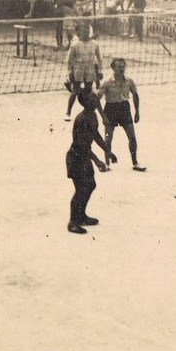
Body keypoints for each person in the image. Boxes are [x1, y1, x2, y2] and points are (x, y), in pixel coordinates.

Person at [66, 89, 111, 234]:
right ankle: (73, 222)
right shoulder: (81, 119)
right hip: (76, 157)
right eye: (92, 97)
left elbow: (96, 135)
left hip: (84, 157)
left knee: (90, 185)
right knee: (81, 190)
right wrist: (98, 161)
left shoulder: (92, 115)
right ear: (85, 102)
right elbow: (83, 145)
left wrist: (108, 150)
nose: (96, 98)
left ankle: (82, 216)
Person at [99, 57, 146, 171]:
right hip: (111, 108)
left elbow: (135, 95)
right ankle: (106, 163)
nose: (121, 69)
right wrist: (103, 116)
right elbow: (96, 99)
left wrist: (137, 112)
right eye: (118, 66)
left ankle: (135, 163)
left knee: (132, 138)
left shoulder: (129, 81)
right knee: (108, 138)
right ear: (113, 68)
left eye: (122, 66)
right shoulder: (107, 82)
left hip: (124, 108)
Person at [64, 23, 104, 122]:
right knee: (75, 91)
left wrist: (99, 71)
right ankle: (68, 112)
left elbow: (100, 58)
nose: (85, 33)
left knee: (88, 90)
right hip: (78, 68)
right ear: (80, 32)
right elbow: (69, 60)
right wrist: (70, 72)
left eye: (87, 31)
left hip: (90, 68)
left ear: (90, 32)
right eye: (83, 31)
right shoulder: (75, 44)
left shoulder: (95, 44)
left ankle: (88, 111)